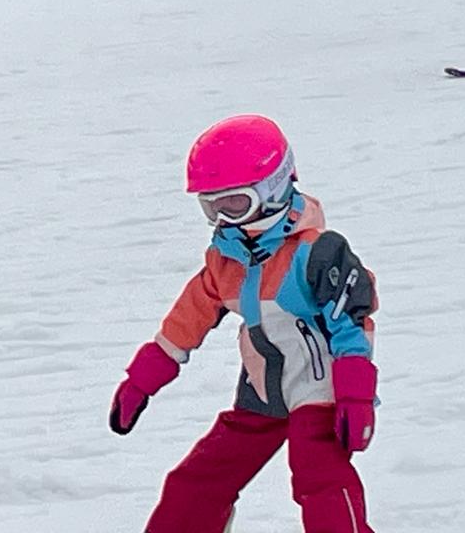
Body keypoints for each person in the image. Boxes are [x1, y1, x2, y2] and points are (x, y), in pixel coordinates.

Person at [109, 114, 377, 533]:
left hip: (318, 390)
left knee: (319, 477)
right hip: (262, 392)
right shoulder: (227, 259)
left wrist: (354, 396)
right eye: (212, 206)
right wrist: (140, 381)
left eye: (235, 203)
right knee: (198, 479)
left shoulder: (316, 253)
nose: (225, 218)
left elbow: (351, 324)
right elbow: (186, 321)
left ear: (273, 188)